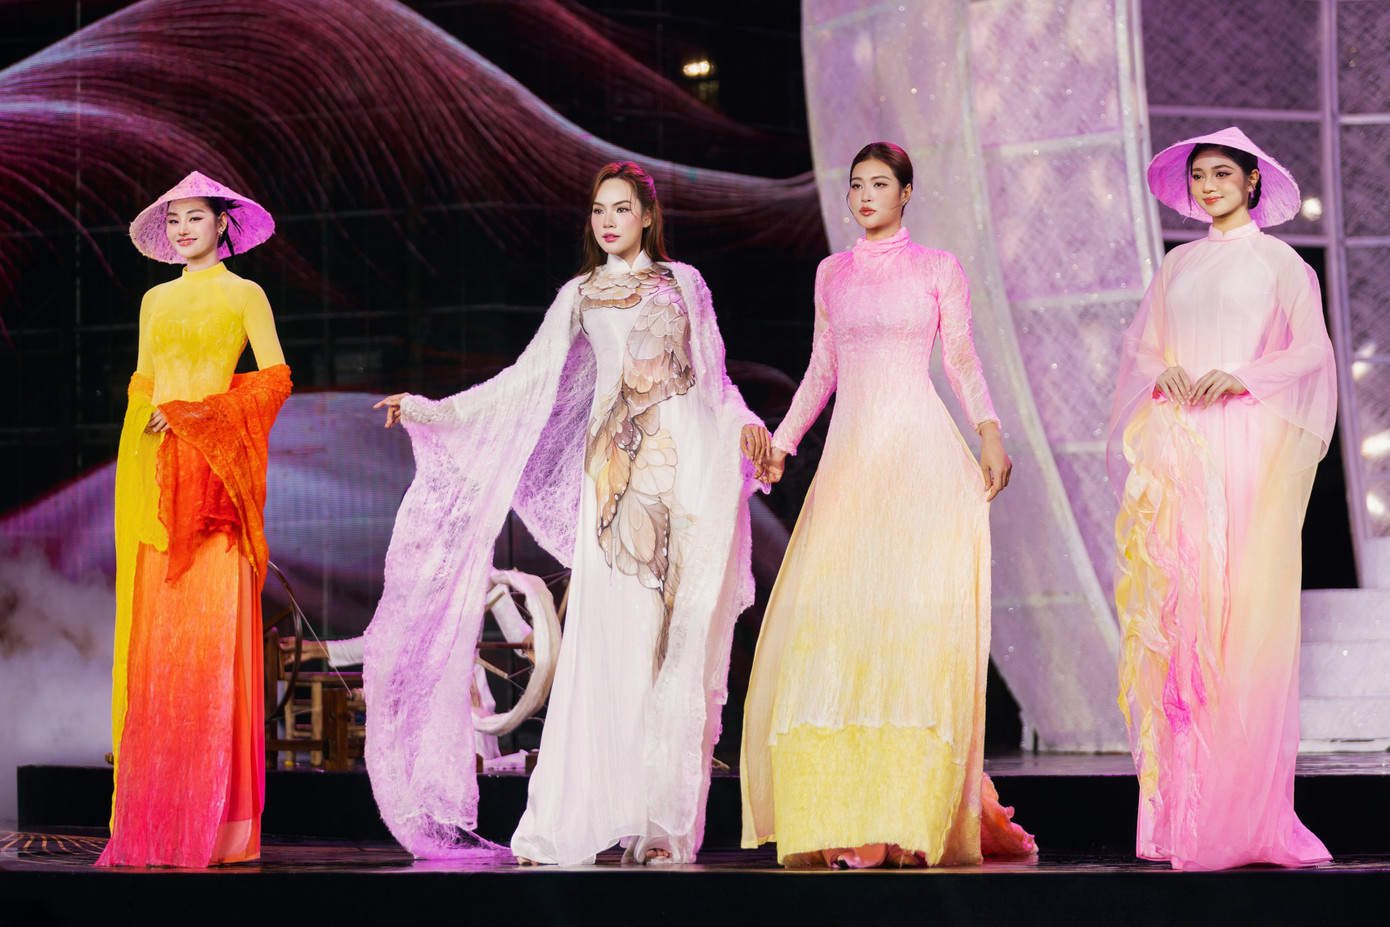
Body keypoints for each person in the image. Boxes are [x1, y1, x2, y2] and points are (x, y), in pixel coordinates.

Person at [368, 161, 770, 864]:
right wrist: (434, 411)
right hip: (615, 477)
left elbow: (716, 380)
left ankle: (661, 824)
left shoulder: (684, 283)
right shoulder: (579, 295)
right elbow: (523, 382)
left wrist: (747, 427)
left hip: (685, 474)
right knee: (609, 639)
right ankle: (570, 819)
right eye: (598, 210)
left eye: (622, 208)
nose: (608, 221)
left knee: (674, 643)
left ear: (648, 215)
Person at [740, 142, 1034, 869]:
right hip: (851, 462)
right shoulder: (831, 272)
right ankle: (849, 818)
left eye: (880, 184)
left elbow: (959, 357)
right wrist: (782, 443)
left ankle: (908, 821)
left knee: (906, 631)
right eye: (856, 185)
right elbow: (822, 368)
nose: (865, 195)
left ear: (906, 193)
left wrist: (989, 433)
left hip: (918, 458)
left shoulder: (938, 267)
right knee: (839, 628)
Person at [1108, 127, 1335, 870]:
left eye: (1222, 175)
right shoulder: (1177, 263)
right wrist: (1163, 372)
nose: (1208, 186)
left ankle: (1241, 815)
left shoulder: (1280, 263)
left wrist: (1243, 376)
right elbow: (1142, 345)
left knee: (1240, 614)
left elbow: (1313, 349)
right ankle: (1183, 818)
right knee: (1182, 616)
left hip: (1244, 443)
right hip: (1179, 446)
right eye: (1199, 176)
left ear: (1252, 181)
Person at [99, 172, 291, 867]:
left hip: (214, 483)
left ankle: (219, 825)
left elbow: (275, 380)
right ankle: (159, 817)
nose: (182, 230)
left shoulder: (245, 294)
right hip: (157, 482)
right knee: (160, 652)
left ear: (222, 225)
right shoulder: (154, 300)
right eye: (173, 219)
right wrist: (140, 462)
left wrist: (197, 414)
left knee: (211, 649)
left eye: (194, 218)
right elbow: (143, 387)